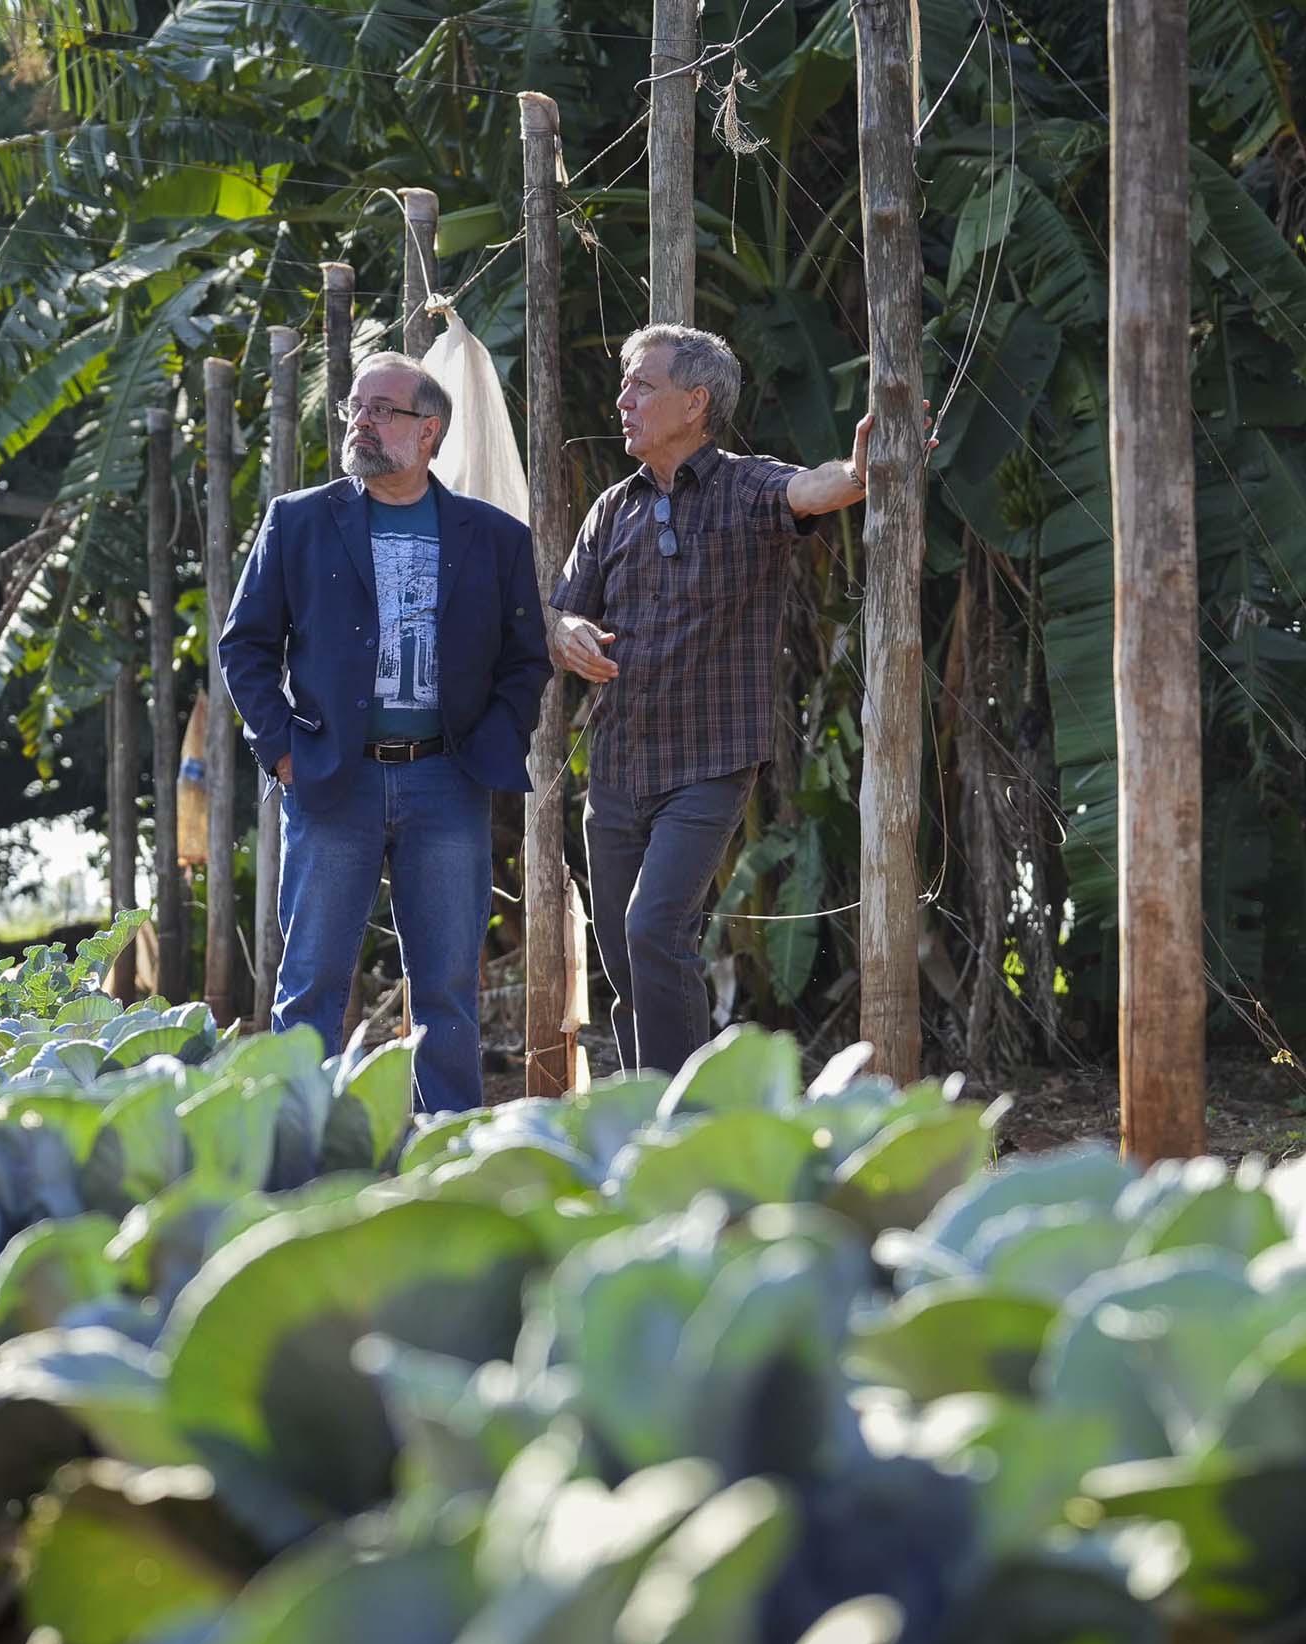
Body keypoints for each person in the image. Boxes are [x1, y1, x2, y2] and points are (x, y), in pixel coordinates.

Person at [547, 323, 909, 1077]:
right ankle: (649, 1105)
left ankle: (687, 1122)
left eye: (642, 386)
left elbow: (812, 489)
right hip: (616, 767)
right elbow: (560, 614)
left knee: (656, 930)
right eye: (625, 385)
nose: (623, 400)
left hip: (708, 766)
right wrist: (568, 631)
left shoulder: (746, 486)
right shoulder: (613, 507)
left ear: (695, 402)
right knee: (622, 957)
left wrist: (859, 469)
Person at [218, 351, 551, 1113]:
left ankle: (450, 1150)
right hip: (333, 779)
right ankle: (303, 1150)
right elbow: (245, 646)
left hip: (446, 780)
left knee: (448, 990)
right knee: (309, 986)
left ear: (428, 430)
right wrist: (282, 750)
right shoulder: (299, 520)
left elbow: (524, 660)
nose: (360, 422)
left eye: (381, 410)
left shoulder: (493, 537)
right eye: (355, 409)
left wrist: (488, 749)